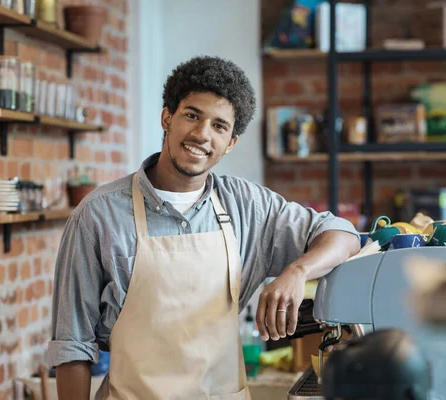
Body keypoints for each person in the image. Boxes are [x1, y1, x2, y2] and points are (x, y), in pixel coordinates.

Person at [49, 55, 360, 400]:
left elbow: (343, 235)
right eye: (192, 115)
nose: (201, 134)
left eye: (219, 126)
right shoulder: (98, 215)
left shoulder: (247, 206)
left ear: (231, 143)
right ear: (167, 116)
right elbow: (72, 346)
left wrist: (297, 271)